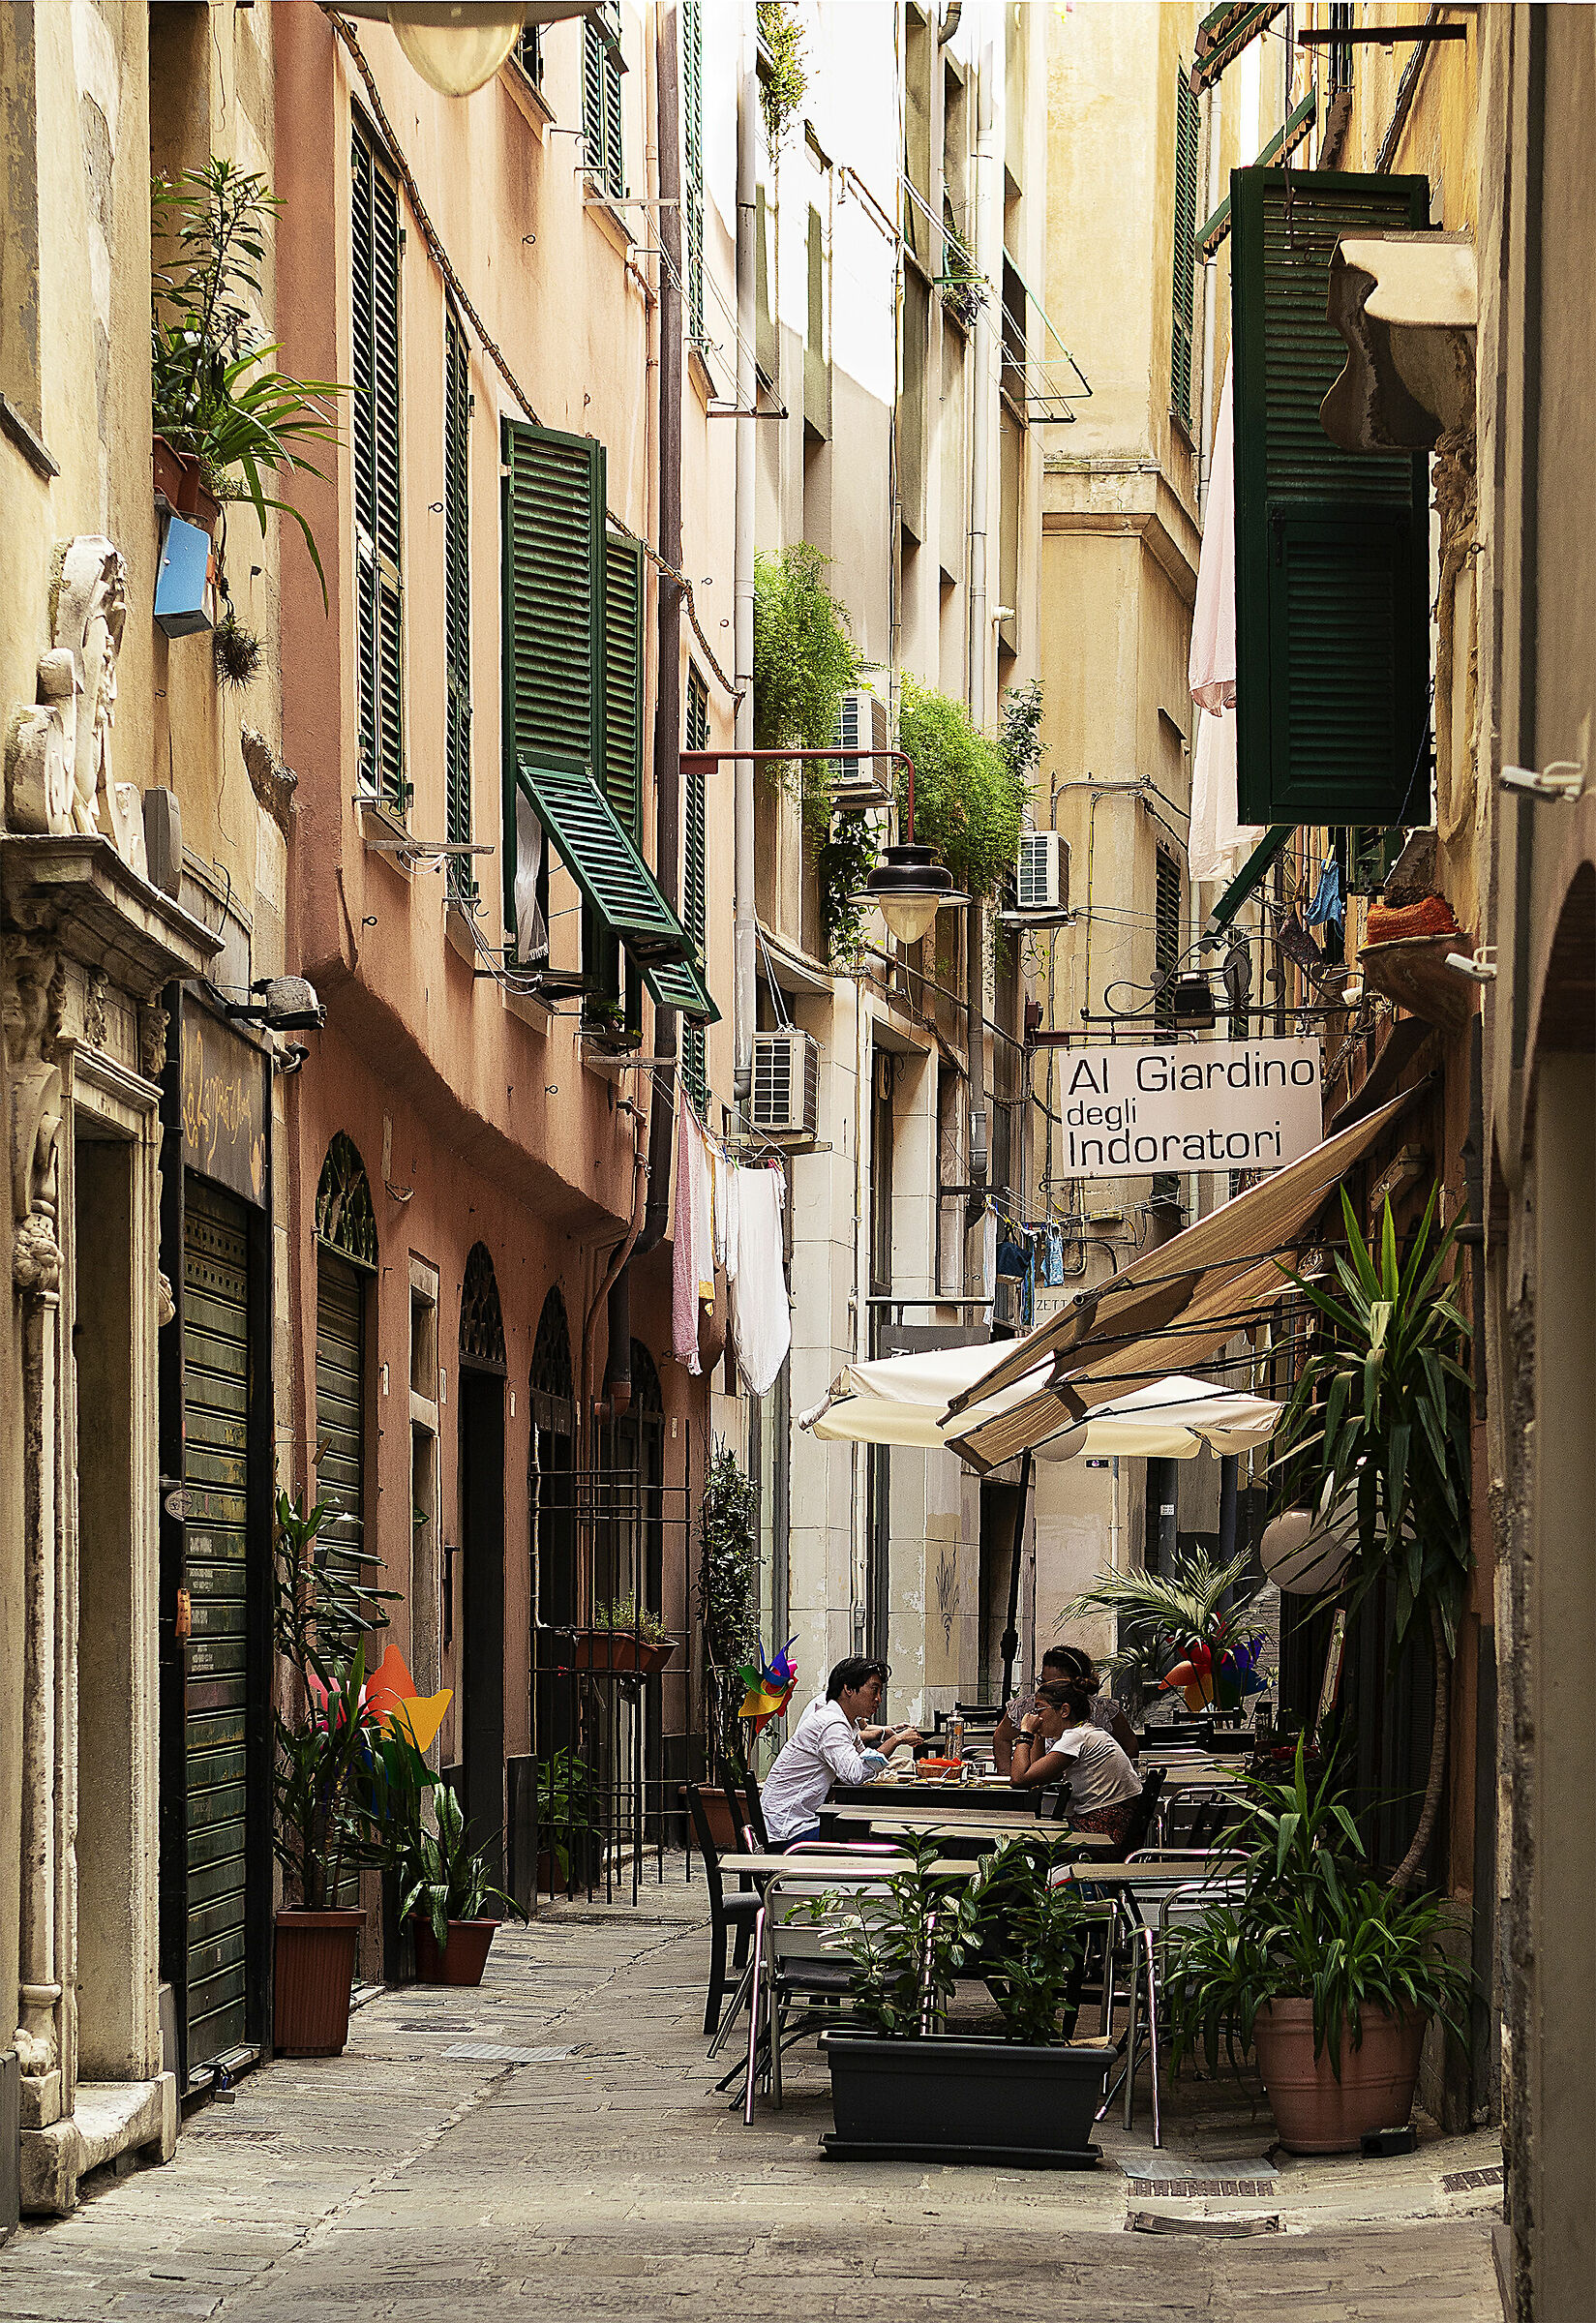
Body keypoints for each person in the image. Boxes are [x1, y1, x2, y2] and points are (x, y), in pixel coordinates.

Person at [759, 1657, 923, 1848]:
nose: (878, 1698)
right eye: (874, 1689)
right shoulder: (831, 1723)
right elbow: (854, 1774)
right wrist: (896, 1740)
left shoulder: (846, 1722)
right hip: (789, 1830)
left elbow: (862, 1762)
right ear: (849, 1689)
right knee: (876, 1837)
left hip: (797, 1821)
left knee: (876, 1830)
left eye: (880, 1692)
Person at [1008, 1678, 1143, 1853]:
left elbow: (1019, 1778)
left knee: (1018, 1850)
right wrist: (1037, 1733)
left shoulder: (1077, 1737)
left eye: (1039, 1709)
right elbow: (1036, 1774)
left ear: (1064, 1710)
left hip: (1101, 1829)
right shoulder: (1085, 1732)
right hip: (1113, 1824)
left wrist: (1025, 1732)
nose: (1035, 1716)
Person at [993, 1647, 1139, 1773]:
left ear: (1065, 1711)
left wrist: (1026, 1735)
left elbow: (1022, 1779)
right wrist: (1005, 1773)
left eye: (1055, 1683)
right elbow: (1003, 1739)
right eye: (1043, 1682)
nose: (1045, 1688)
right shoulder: (1030, 1709)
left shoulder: (1079, 1734)